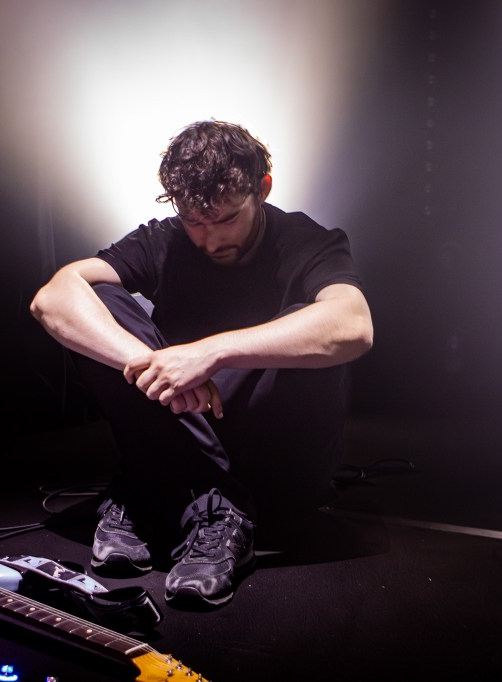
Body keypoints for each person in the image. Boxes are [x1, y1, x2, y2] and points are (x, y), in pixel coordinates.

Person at [29, 120, 373, 608]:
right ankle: (206, 504)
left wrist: (209, 354)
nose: (209, 240)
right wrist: (149, 364)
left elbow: (354, 324)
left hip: (274, 453)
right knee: (96, 300)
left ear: (263, 189)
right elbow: (51, 299)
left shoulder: (306, 240)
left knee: (310, 319)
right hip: (184, 419)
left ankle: (159, 493)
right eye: (194, 222)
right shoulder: (164, 240)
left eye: (226, 219)